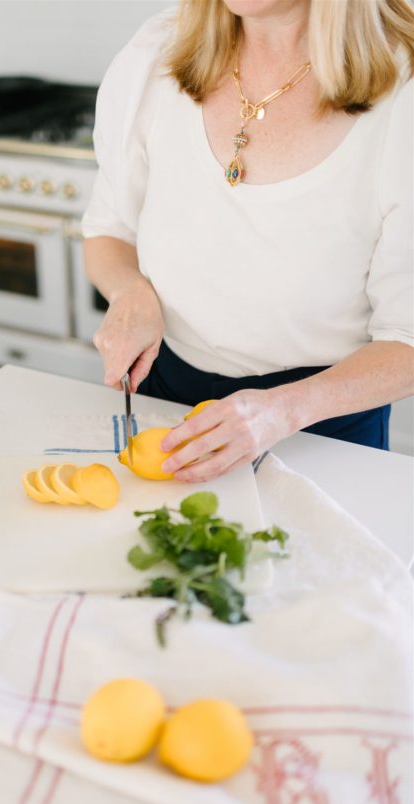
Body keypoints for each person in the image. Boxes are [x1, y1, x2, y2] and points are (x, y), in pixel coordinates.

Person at [81, 0, 414, 482]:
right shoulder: (155, 54)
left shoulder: (403, 94)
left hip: (323, 430)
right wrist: (130, 292)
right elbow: (108, 231)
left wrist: (282, 411)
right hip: (163, 401)